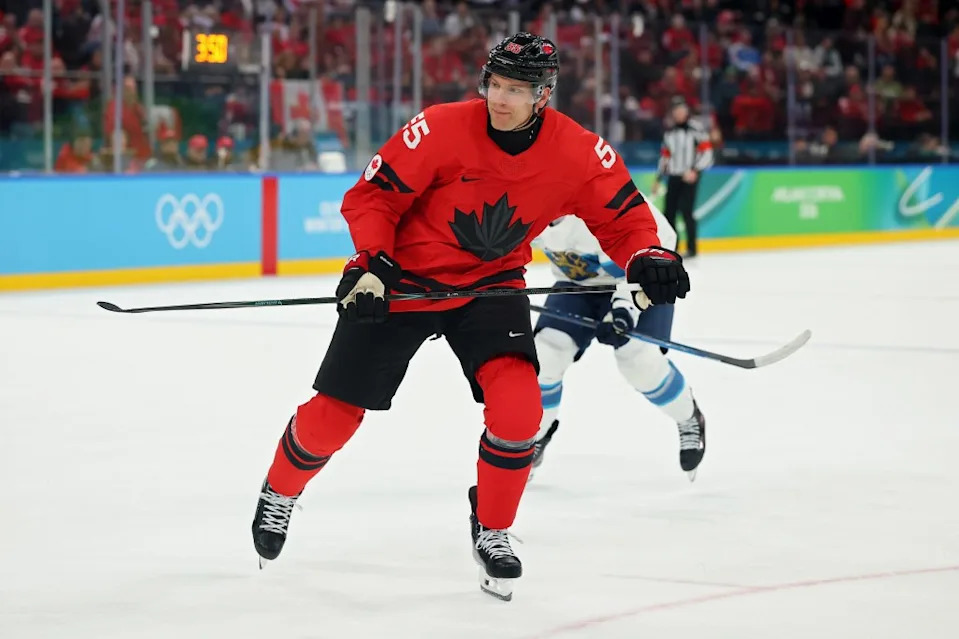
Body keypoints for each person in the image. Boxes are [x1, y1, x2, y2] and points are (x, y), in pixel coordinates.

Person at [250, 32, 691, 602]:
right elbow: (372, 198)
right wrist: (369, 265)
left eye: (516, 89)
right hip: (402, 282)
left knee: (520, 407)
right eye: (495, 85)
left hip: (490, 288)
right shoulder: (439, 127)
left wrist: (649, 255)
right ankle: (279, 492)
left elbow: (626, 218)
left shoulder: (579, 151)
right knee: (334, 417)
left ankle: (494, 527)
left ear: (544, 94)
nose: (500, 99)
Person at [530, 210, 706, 482]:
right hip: (579, 284)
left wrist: (625, 309)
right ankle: (535, 434)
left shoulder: (601, 200)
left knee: (637, 360)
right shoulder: (524, 197)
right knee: (546, 355)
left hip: (646, 274)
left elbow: (647, 248)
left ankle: (688, 416)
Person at [651, 96, 713, 258]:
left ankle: (692, 248)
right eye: (676, 111)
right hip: (674, 175)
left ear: (686, 112)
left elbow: (707, 153)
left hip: (689, 176)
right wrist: (658, 178)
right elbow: (665, 157)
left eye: (681, 110)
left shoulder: (696, 129)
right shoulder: (670, 133)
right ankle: (673, 247)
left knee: (686, 211)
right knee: (669, 212)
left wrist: (695, 171)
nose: (678, 114)